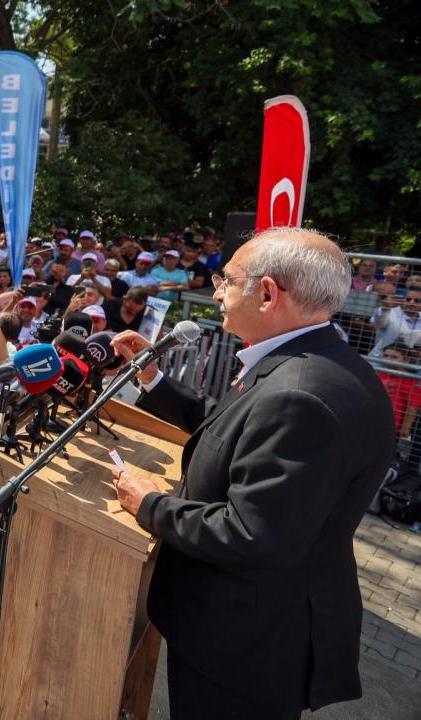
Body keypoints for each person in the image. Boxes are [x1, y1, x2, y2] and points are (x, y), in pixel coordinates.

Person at [109, 228, 394, 719]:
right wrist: (154, 379)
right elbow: (233, 433)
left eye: (228, 280)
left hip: (242, 646)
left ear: (267, 294)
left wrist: (150, 505)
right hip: (251, 633)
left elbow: (252, 534)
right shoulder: (312, 363)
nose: (217, 292)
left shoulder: (299, 395)